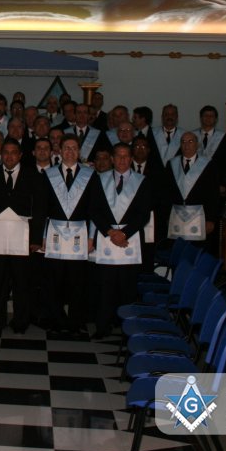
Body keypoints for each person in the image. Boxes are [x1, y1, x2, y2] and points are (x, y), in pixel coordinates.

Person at [0, 140, 40, 334]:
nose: (9, 156)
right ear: (1, 154)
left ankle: (21, 321)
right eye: (6, 152)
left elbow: (40, 207)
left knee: (22, 282)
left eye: (13, 152)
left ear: (20, 155)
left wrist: (36, 238)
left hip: (22, 237)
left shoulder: (32, 176)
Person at [89, 143, 151, 339]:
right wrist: (110, 232)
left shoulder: (142, 181)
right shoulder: (100, 179)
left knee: (128, 287)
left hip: (130, 239)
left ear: (131, 159)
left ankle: (128, 329)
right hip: (106, 236)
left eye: (126, 156)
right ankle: (102, 327)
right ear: (112, 159)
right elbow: (94, 209)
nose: (122, 160)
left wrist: (124, 233)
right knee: (105, 286)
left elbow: (143, 214)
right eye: (118, 156)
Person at [36, 136, 95, 334]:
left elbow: (94, 209)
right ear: (59, 151)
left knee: (78, 280)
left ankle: (76, 322)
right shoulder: (49, 175)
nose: (70, 152)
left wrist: (92, 236)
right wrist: (41, 236)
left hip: (80, 234)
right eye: (66, 148)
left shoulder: (90, 175)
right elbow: (42, 208)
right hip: (55, 234)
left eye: (74, 148)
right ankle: (56, 319)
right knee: (54, 280)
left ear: (79, 152)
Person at [162, 132, 222, 255]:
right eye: (183, 142)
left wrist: (211, 219)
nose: (186, 145)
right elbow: (167, 193)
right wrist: (167, 215)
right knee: (178, 252)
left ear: (197, 144)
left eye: (190, 141)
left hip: (200, 217)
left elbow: (213, 194)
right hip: (177, 217)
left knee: (197, 253)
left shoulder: (208, 164)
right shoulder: (172, 164)